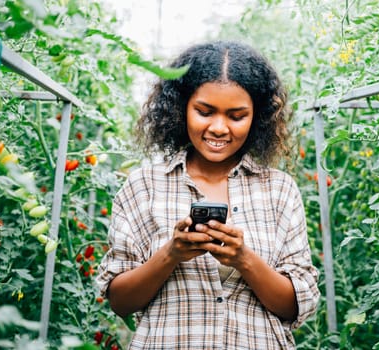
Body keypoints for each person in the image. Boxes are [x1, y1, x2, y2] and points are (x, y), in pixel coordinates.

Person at [96, 40, 320, 349]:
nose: (218, 127)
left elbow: (296, 306)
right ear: (181, 108)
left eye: (236, 116)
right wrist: (171, 254)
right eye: (204, 111)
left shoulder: (280, 189)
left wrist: (244, 259)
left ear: (257, 117)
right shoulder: (143, 185)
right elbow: (120, 301)